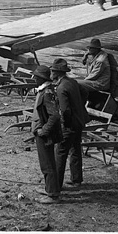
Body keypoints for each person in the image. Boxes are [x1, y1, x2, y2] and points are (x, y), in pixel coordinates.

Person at [51, 58, 87, 191]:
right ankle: (76, 180)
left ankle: (56, 185)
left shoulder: (61, 88)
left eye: (52, 71)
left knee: (60, 153)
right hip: (79, 121)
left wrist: (63, 124)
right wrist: (78, 106)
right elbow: (85, 93)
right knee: (75, 149)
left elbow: (65, 110)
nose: (51, 73)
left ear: (57, 73)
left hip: (69, 125)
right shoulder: (72, 82)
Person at [29, 64, 62, 204]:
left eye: (36, 77)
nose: (34, 79)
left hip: (45, 134)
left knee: (47, 164)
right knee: (47, 162)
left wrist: (44, 131)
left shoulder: (47, 93)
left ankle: (53, 194)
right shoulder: (44, 91)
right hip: (41, 132)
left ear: (41, 78)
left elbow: (54, 115)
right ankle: (49, 188)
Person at [78, 38, 112, 102]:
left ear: (96, 49)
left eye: (91, 48)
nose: (89, 50)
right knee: (75, 83)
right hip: (94, 82)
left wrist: (83, 82)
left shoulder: (100, 60)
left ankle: (80, 104)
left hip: (100, 84)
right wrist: (85, 56)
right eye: (89, 48)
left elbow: (93, 76)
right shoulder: (95, 54)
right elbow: (83, 62)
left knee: (76, 84)